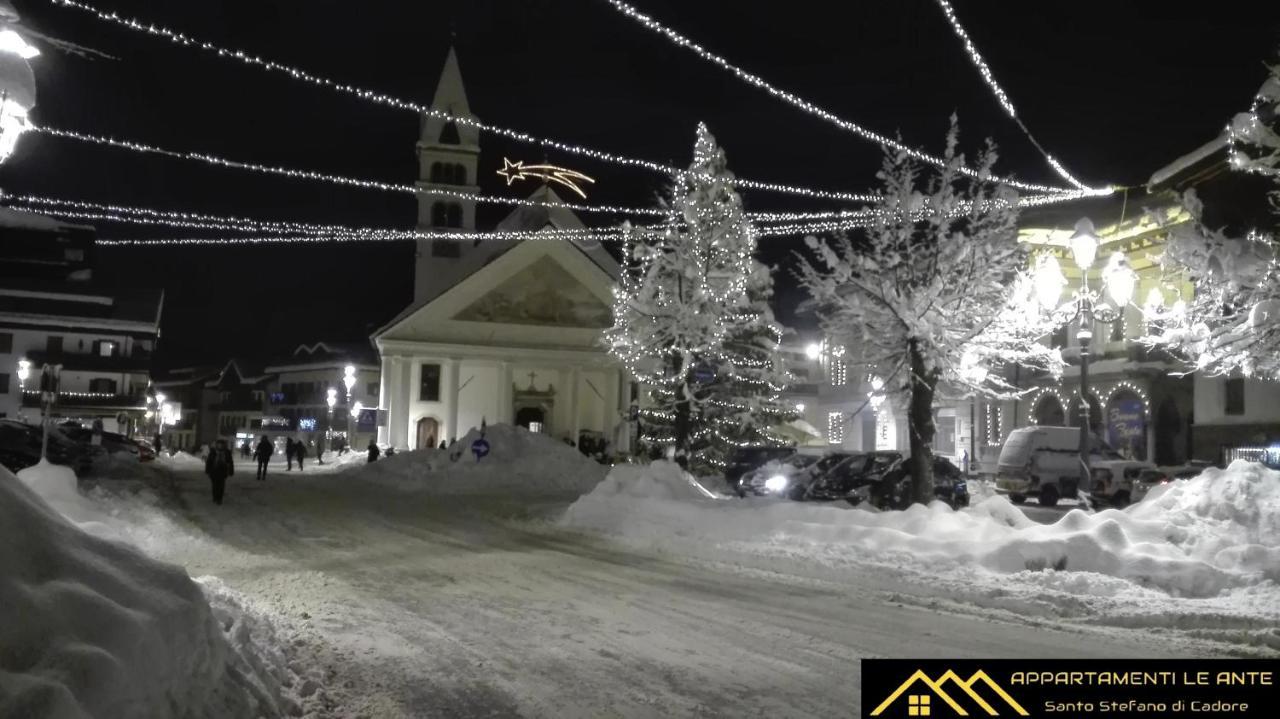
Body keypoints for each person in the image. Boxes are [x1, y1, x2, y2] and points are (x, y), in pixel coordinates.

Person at [205, 438, 234, 505]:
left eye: (222, 444)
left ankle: (219, 499)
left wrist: (231, 471)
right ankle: (215, 497)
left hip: (223, 471)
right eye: (219, 444)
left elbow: (230, 462)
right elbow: (209, 462)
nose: (220, 446)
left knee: (221, 486)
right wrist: (207, 470)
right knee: (214, 485)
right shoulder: (213, 451)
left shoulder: (227, 452)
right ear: (217, 445)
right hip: (214, 471)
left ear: (224, 445)